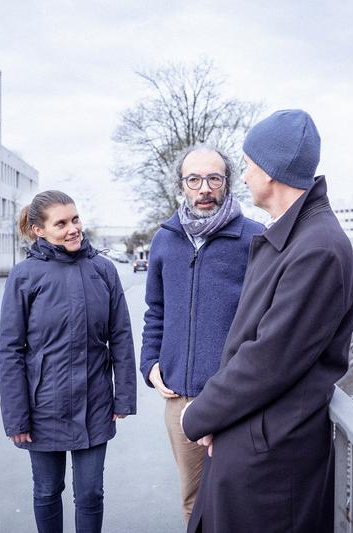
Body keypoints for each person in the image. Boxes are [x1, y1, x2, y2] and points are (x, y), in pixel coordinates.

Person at [181, 109, 353, 532]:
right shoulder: (297, 237)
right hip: (256, 441)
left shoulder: (317, 248)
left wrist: (199, 415)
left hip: (271, 460)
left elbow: (267, 359)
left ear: (271, 171)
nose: (242, 177)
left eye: (246, 165)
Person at [0, 190, 136, 533]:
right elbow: (10, 350)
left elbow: (120, 336)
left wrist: (124, 396)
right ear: (38, 230)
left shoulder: (103, 270)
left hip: (95, 401)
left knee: (90, 494)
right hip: (43, 405)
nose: (73, 228)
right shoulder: (24, 276)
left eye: (75, 219)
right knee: (47, 491)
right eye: (61, 223)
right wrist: (16, 417)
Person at [140, 145, 264, 524]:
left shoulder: (255, 239)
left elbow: (264, 319)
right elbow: (155, 310)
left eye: (214, 178)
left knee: (238, 504)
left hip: (233, 400)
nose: (204, 188)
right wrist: (150, 364)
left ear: (227, 183)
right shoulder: (165, 239)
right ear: (182, 185)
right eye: (194, 179)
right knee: (193, 504)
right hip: (179, 400)